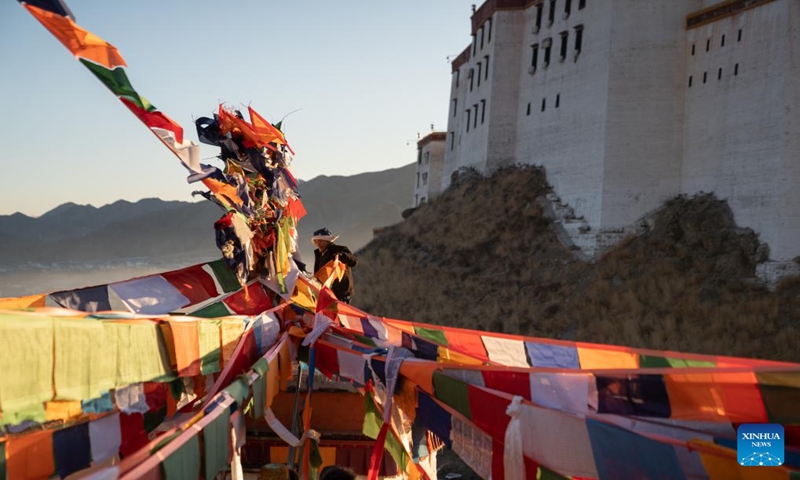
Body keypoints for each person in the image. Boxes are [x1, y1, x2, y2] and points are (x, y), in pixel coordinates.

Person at [312, 227, 358, 303]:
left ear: (327, 241)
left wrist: (342, 256)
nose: (318, 244)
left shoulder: (339, 250)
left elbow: (353, 261)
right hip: (326, 294)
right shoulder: (319, 255)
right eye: (316, 241)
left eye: (320, 241)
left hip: (340, 294)